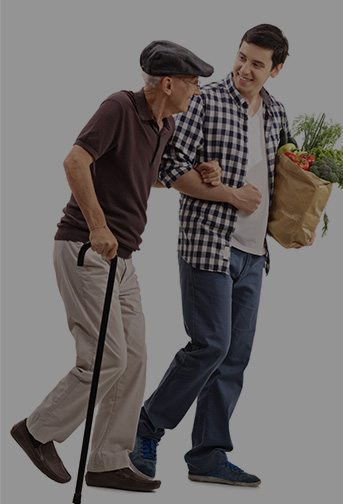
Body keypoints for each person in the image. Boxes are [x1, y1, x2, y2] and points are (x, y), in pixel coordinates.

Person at [10, 40, 214, 493]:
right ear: (166, 83)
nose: (196, 92)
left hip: (122, 260)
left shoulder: (163, 125)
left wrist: (202, 174)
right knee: (106, 358)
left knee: (135, 357)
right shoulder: (119, 108)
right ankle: (37, 431)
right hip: (87, 247)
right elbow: (75, 160)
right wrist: (98, 226)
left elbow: (151, 174)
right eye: (191, 83)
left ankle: (107, 460)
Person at [130, 24, 315, 487]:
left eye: (257, 63)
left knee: (234, 356)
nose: (244, 69)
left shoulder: (276, 114)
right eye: (241, 57)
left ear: (276, 70)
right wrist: (230, 195)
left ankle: (208, 455)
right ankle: (146, 427)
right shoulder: (205, 100)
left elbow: (286, 178)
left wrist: (303, 217)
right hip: (208, 245)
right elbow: (169, 168)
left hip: (254, 253)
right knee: (209, 345)